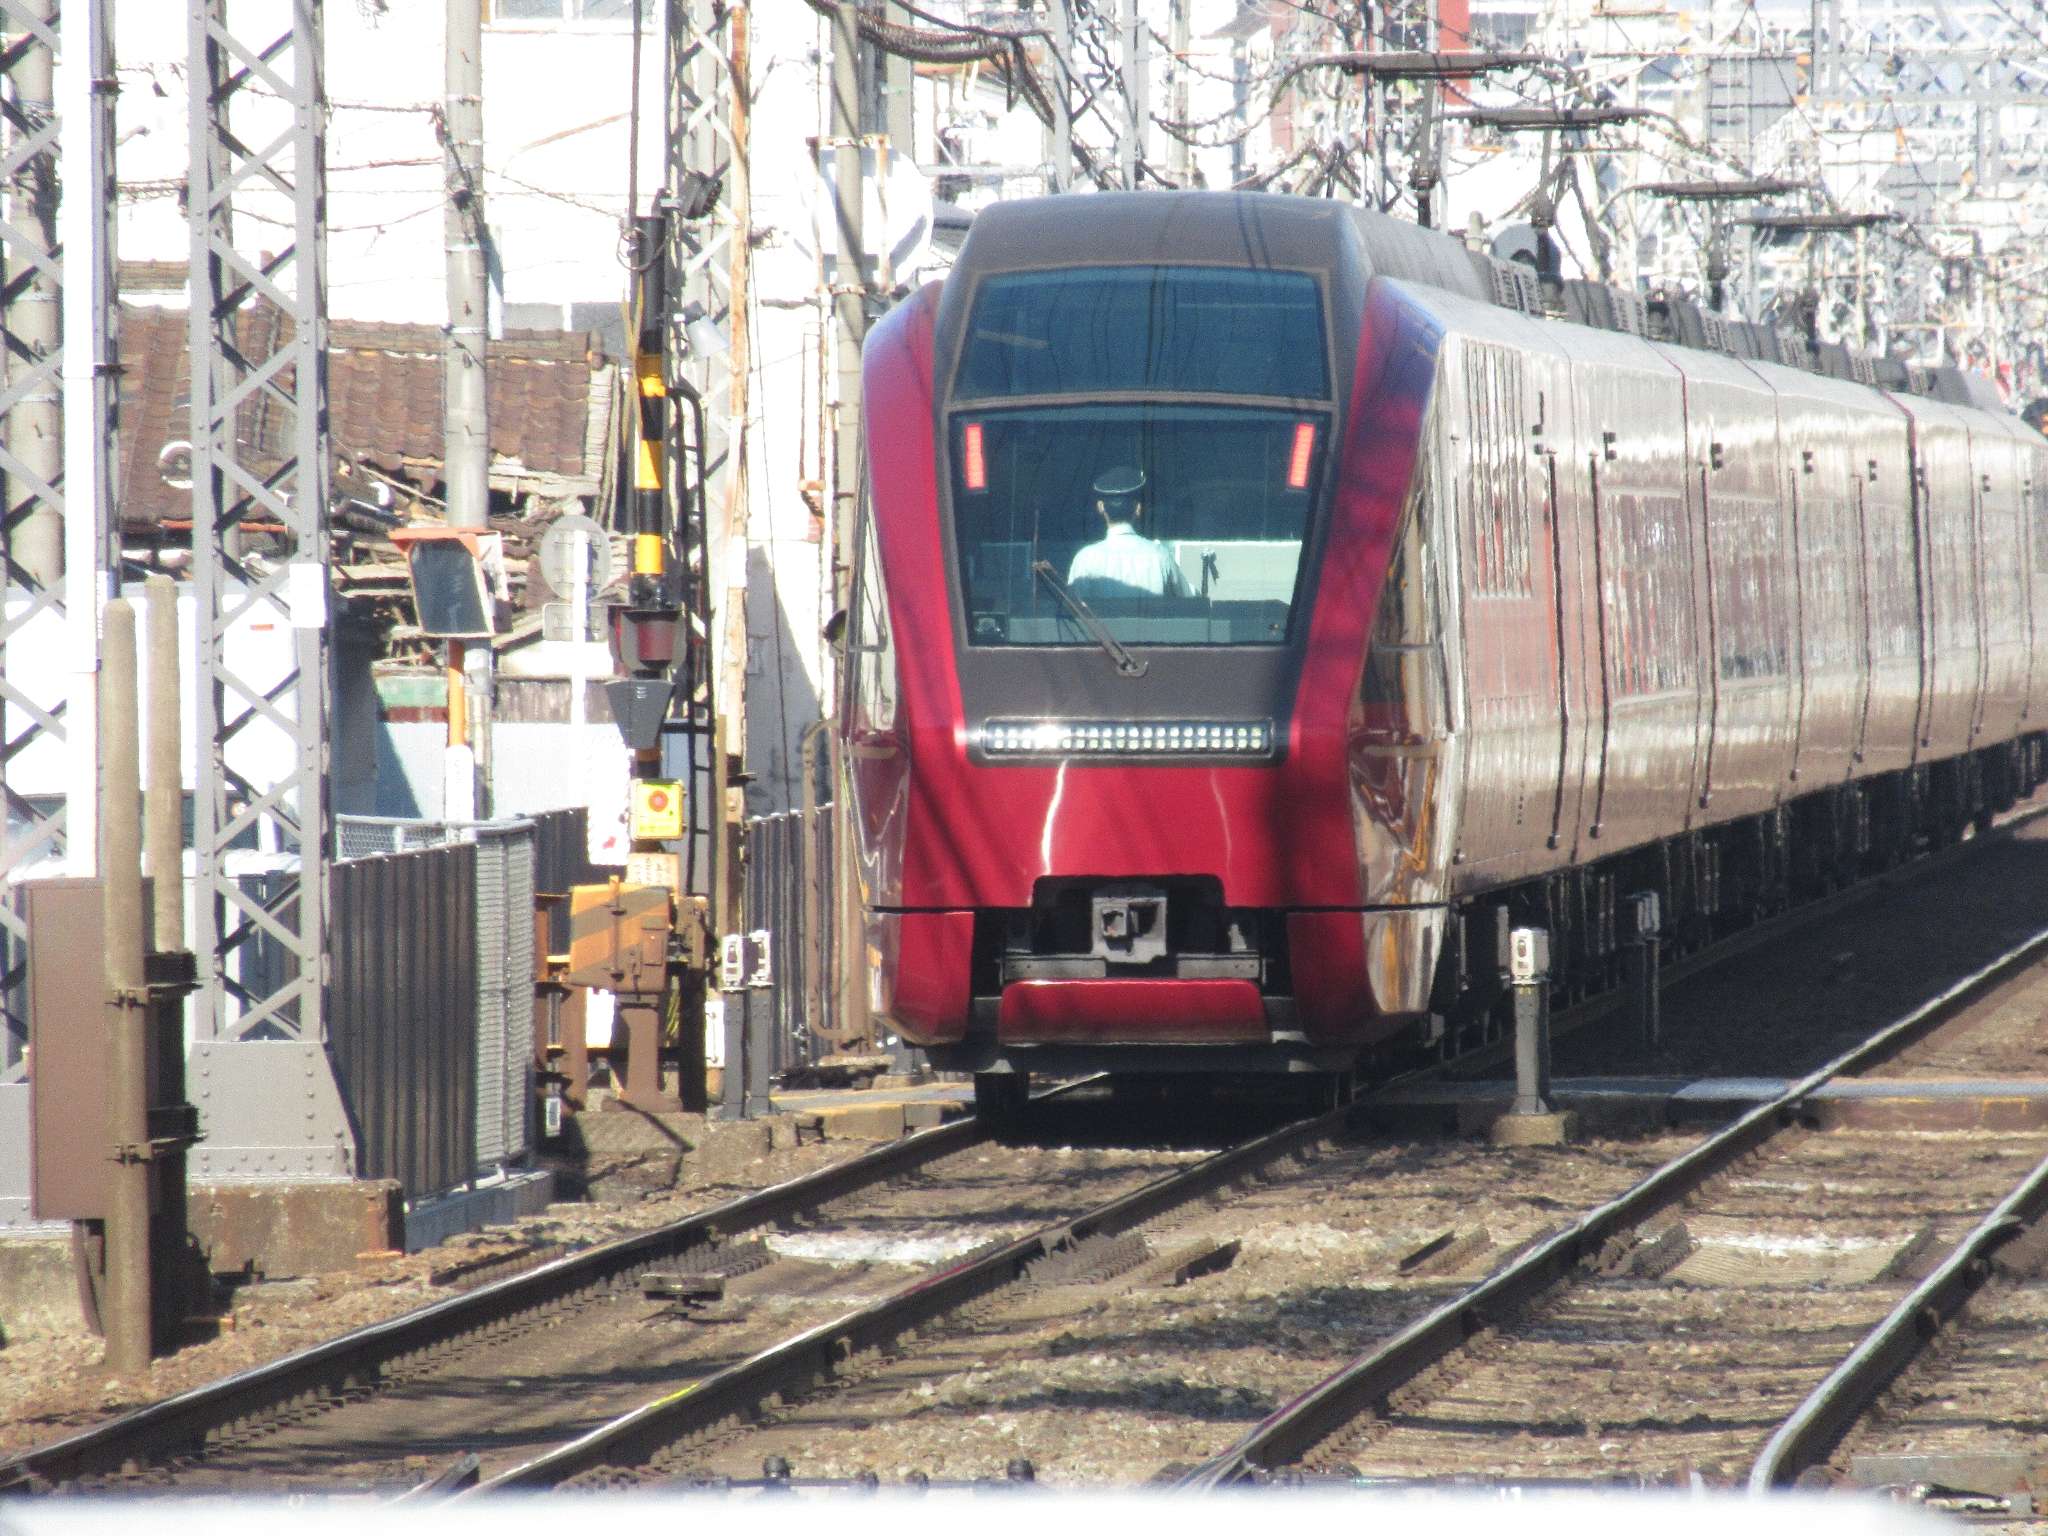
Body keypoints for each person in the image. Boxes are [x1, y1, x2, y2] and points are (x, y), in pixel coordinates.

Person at [1066, 465, 1191, 599]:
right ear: (1138, 508)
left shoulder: (1085, 559)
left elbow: (1074, 611)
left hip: (1095, 622)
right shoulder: (1160, 556)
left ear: (1101, 507)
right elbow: (1189, 603)